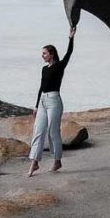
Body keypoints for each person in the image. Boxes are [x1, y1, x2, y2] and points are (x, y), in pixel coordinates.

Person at [28, 25, 76, 177]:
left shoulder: (60, 66)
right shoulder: (44, 69)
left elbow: (69, 53)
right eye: (42, 53)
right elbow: (41, 87)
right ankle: (34, 163)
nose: (42, 55)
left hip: (54, 101)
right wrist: (36, 106)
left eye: (44, 53)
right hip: (42, 101)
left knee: (52, 131)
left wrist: (71, 38)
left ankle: (57, 160)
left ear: (51, 54)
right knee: (38, 131)